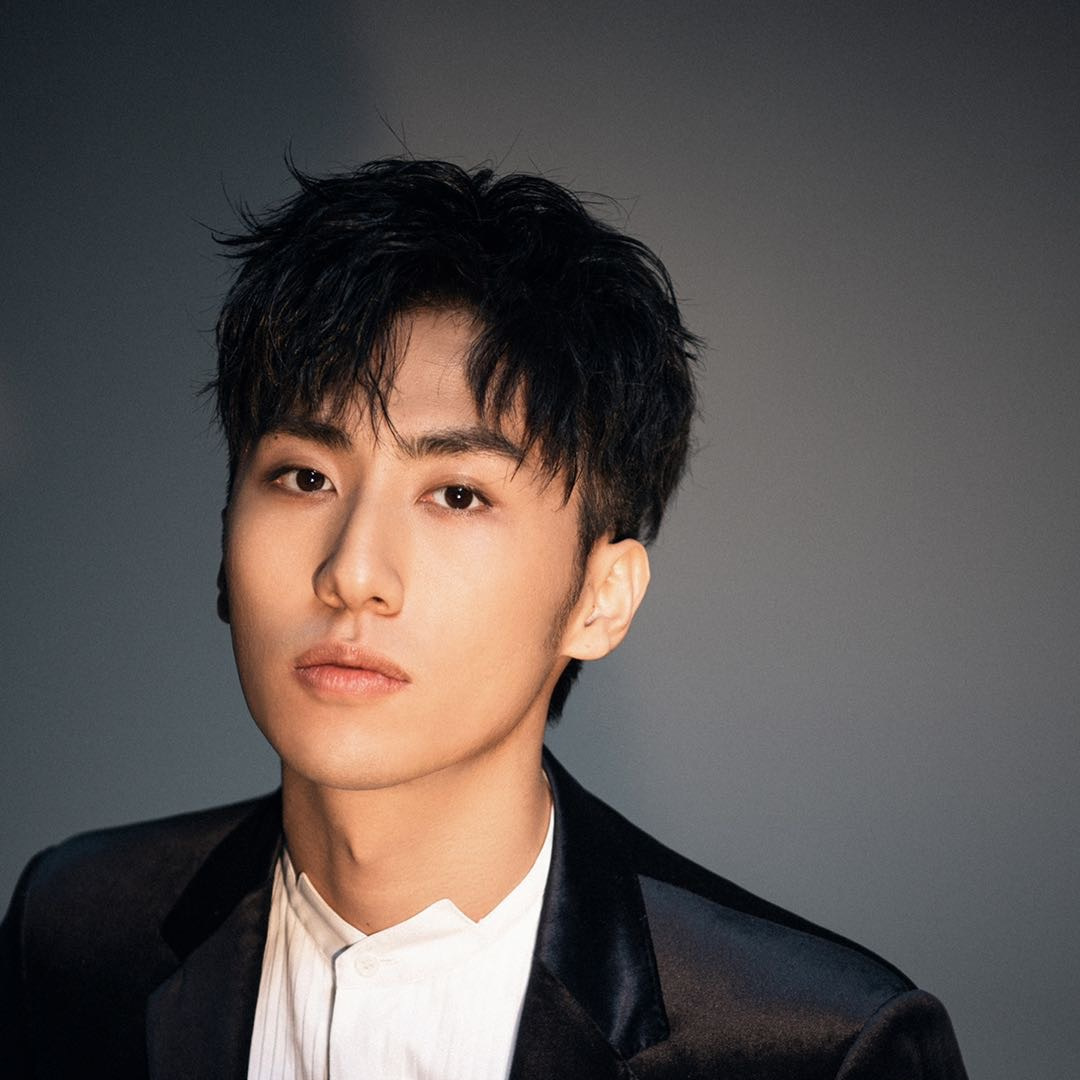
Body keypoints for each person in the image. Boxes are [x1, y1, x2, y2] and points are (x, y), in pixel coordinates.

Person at [1, 159, 968, 1079]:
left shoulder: (812, 1046)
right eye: (304, 477)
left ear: (600, 598)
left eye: (457, 495)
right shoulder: (75, 931)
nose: (352, 574)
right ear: (224, 539)